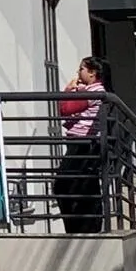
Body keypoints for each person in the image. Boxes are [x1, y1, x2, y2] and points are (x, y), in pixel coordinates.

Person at [53, 56, 110, 234]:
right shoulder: (90, 90)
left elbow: (66, 109)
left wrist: (67, 91)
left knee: (63, 185)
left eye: (81, 69)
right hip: (82, 142)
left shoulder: (93, 92)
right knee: (82, 184)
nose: (78, 73)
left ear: (92, 73)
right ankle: (84, 225)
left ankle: (80, 225)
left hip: (82, 143)